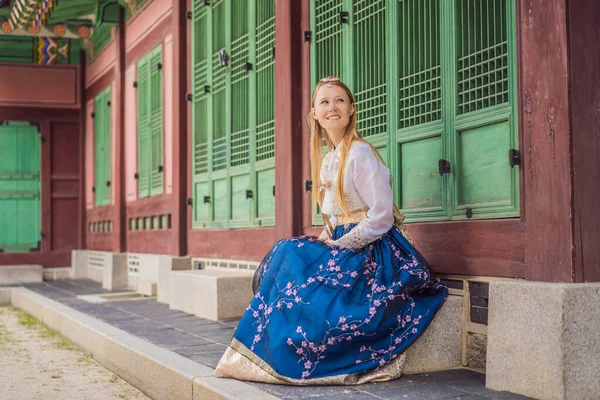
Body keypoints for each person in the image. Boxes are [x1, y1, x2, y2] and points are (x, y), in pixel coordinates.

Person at [214, 77, 448, 385]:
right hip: (344, 243)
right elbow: (335, 218)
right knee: (289, 255)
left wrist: (341, 245)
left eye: (339, 100)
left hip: (374, 250)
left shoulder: (360, 153)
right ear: (314, 113)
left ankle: (283, 355)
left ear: (352, 109)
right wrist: (328, 241)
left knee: (291, 256)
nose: (332, 107)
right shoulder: (328, 159)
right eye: (324, 102)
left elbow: (381, 218)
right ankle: (273, 352)